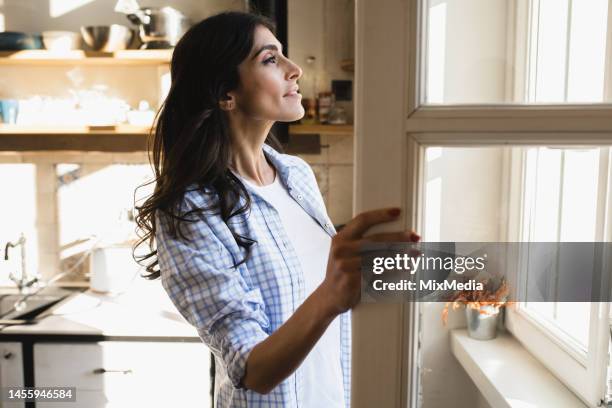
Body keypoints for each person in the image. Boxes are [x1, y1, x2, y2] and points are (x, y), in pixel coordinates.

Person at [134, 11, 421, 408]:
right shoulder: (191, 211)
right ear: (225, 94)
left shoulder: (295, 175)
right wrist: (332, 293)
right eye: (270, 60)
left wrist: (480, 275)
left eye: (283, 55)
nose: (295, 69)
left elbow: (335, 287)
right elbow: (253, 369)